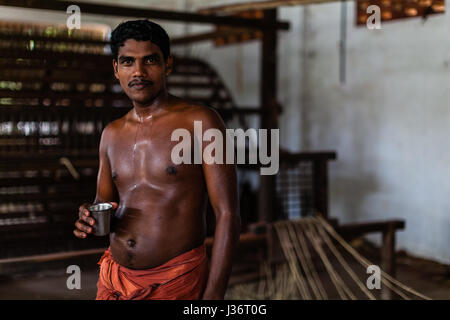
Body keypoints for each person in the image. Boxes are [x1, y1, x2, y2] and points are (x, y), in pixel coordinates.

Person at [73, 19, 240, 300]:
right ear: (116, 69)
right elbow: (104, 202)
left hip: (175, 280)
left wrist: (212, 297)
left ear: (168, 65)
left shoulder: (199, 122)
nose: (138, 72)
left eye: (149, 60)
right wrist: (87, 216)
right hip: (114, 279)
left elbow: (227, 214)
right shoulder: (111, 134)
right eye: (127, 62)